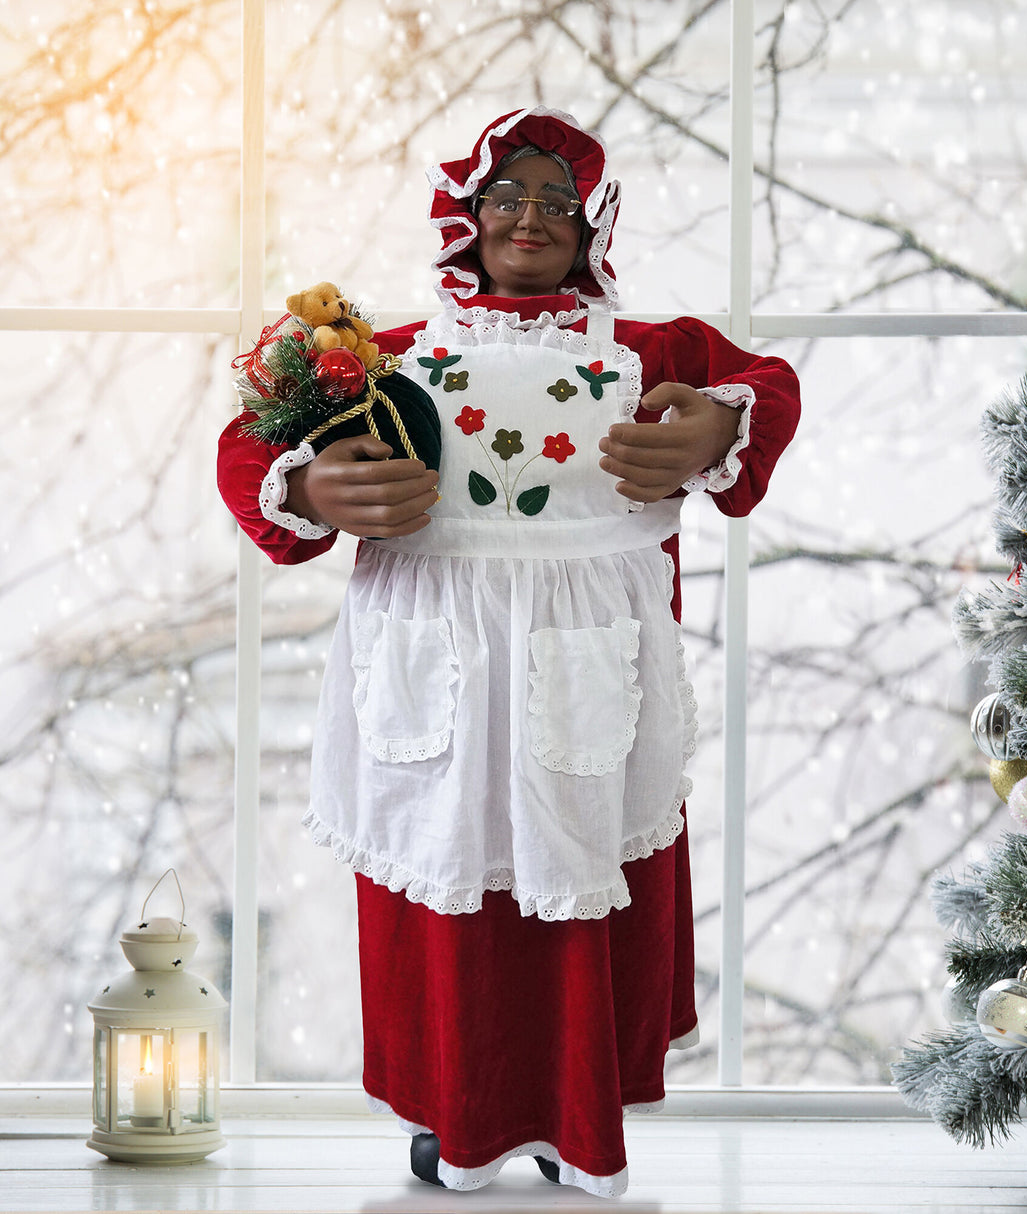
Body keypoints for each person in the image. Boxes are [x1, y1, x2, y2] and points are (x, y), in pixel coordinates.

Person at [217, 107, 800, 1198]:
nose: (529, 217)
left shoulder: (649, 354)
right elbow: (252, 437)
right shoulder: (385, 364)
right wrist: (304, 485)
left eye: (555, 201)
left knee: (580, 895)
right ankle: (460, 1115)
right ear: (465, 216)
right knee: (450, 908)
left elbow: (767, 382)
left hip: (587, 676)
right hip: (436, 681)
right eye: (506, 197)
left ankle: (573, 1119)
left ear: (591, 226)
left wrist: (718, 427)